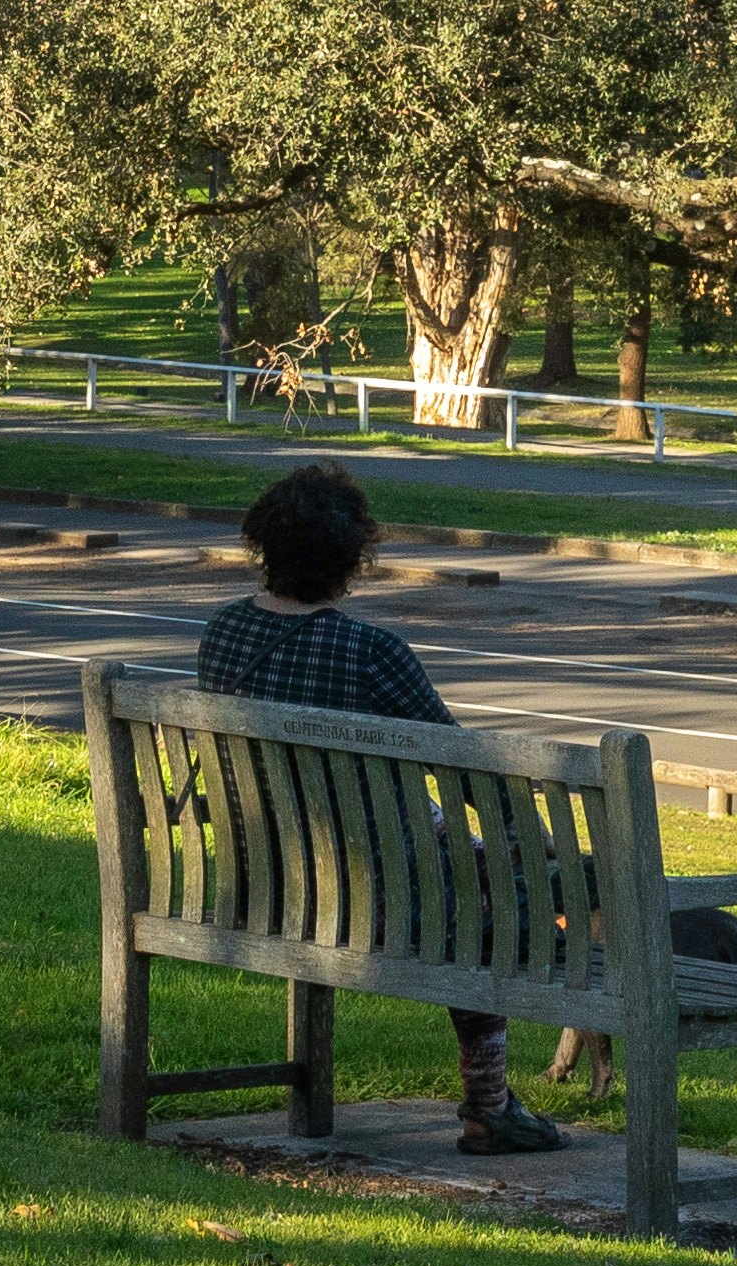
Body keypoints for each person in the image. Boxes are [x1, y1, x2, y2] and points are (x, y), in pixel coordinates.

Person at [198, 462, 571, 1156]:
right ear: (353, 559)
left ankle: (493, 1102)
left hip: (260, 887)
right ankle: (489, 1103)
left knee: (478, 873)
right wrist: (534, 837)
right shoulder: (372, 652)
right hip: (375, 902)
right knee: (505, 896)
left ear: (264, 548)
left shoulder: (222, 635)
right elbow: (466, 775)